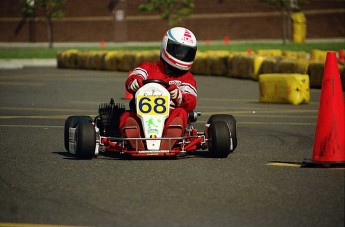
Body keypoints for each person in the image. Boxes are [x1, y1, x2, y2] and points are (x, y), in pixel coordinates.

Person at [119, 27, 198, 150]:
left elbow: (191, 101)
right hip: (141, 116)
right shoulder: (148, 68)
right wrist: (133, 82)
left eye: (186, 53)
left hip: (169, 117)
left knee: (181, 113)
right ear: (165, 46)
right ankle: (135, 138)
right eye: (178, 51)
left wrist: (179, 95)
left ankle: (170, 137)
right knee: (126, 116)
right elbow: (136, 76)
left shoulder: (186, 78)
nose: (182, 56)